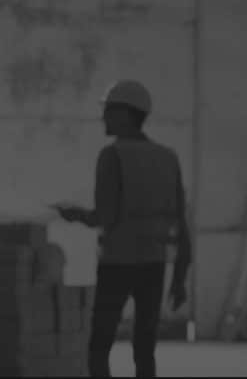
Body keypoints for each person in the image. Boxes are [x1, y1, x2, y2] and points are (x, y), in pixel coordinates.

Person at [53, 80, 192, 378]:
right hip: (153, 265)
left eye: (109, 111)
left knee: (99, 346)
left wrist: (74, 214)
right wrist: (180, 278)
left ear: (127, 114)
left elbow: (104, 216)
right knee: (145, 348)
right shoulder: (168, 157)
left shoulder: (112, 156)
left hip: (117, 263)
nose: (103, 118)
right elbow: (182, 222)